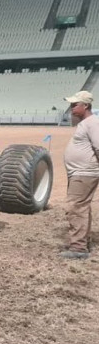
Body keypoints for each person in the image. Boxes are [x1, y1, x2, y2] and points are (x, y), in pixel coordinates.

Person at [62, 90, 99, 259]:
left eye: (75, 104)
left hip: (85, 173)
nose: (71, 107)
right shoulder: (85, 123)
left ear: (86, 105)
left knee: (75, 207)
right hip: (80, 173)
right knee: (81, 208)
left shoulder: (92, 123)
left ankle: (78, 249)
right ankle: (81, 243)